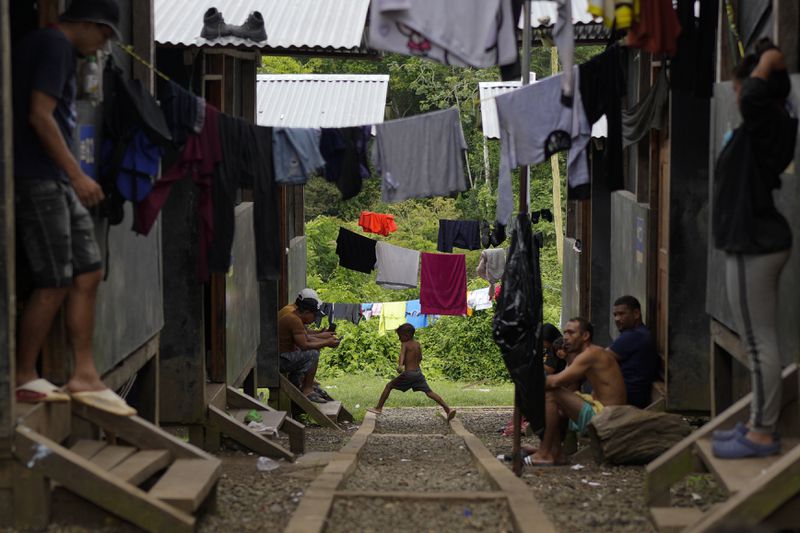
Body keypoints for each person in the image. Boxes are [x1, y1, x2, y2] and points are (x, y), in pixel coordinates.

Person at [12, 0, 135, 416]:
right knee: (54, 278)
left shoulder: (61, 49)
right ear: (86, 24)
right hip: (40, 177)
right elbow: (40, 116)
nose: (104, 43)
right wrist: (78, 175)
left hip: (58, 178)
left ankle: (84, 373)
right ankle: (23, 375)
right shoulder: (53, 46)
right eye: (103, 34)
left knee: (88, 269)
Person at [711, 39, 795, 459]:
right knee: (759, 339)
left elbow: (757, 95)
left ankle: (762, 433)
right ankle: (757, 424)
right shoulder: (772, 121)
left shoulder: (767, 116)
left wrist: (768, 60)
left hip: (754, 244)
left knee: (759, 343)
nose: (738, 93)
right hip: (756, 240)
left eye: (741, 85)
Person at [528, 318, 627, 466]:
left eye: (571, 333)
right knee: (555, 398)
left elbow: (554, 381)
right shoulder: (588, 354)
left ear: (585, 336)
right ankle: (556, 452)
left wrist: (525, 379)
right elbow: (566, 382)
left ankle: (545, 453)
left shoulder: (590, 355)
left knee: (551, 393)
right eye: (565, 332)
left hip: (606, 418)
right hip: (602, 410)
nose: (566, 337)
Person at [368, 323, 456, 420]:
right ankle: (448, 409)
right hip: (418, 373)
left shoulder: (404, 344)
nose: (399, 339)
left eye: (400, 336)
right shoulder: (418, 344)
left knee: (389, 386)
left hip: (409, 374)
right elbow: (420, 358)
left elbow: (402, 355)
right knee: (429, 392)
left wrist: (400, 365)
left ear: (406, 336)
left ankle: (379, 407)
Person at [278, 297, 339, 403]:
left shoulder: (295, 318)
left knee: (314, 350)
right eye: (314, 315)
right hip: (280, 359)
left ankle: (298, 382)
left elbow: (307, 338)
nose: (315, 319)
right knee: (313, 354)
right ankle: (307, 390)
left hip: (283, 356)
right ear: (306, 312)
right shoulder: (294, 320)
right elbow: (304, 345)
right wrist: (327, 343)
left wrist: (324, 338)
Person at [607, 295, 659, 408]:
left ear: (636, 314)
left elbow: (597, 358)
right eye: (615, 315)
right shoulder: (635, 333)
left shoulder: (635, 335)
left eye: (621, 314)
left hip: (626, 401)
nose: (616, 319)